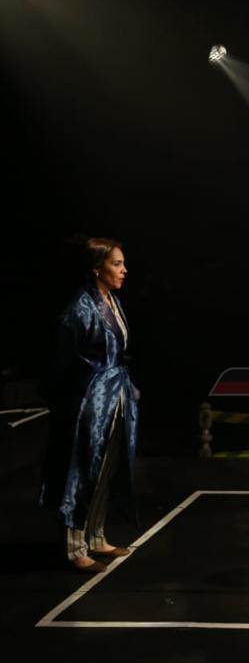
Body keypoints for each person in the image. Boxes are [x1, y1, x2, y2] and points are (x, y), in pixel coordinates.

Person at [39, 237, 140, 573]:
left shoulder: (112, 301)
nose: (124, 270)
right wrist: (69, 402)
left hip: (114, 394)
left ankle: (96, 535)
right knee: (82, 471)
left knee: (105, 468)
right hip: (89, 401)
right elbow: (59, 363)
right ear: (97, 268)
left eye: (123, 263)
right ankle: (75, 547)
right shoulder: (79, 310)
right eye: (116, 264)